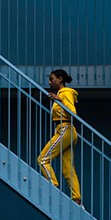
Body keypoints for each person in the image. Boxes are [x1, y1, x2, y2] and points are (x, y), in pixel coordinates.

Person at [37, 69, 82, 205]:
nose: (50, 82)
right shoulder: (61, 94)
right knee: (67, 168)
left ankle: (54, 187)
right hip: (65, 130)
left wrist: (59, 100)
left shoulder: (65, 93)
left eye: (52, 79)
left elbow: (72, 112)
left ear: (60, 79)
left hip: (65, 129)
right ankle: (77, 199)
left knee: (43, 159)